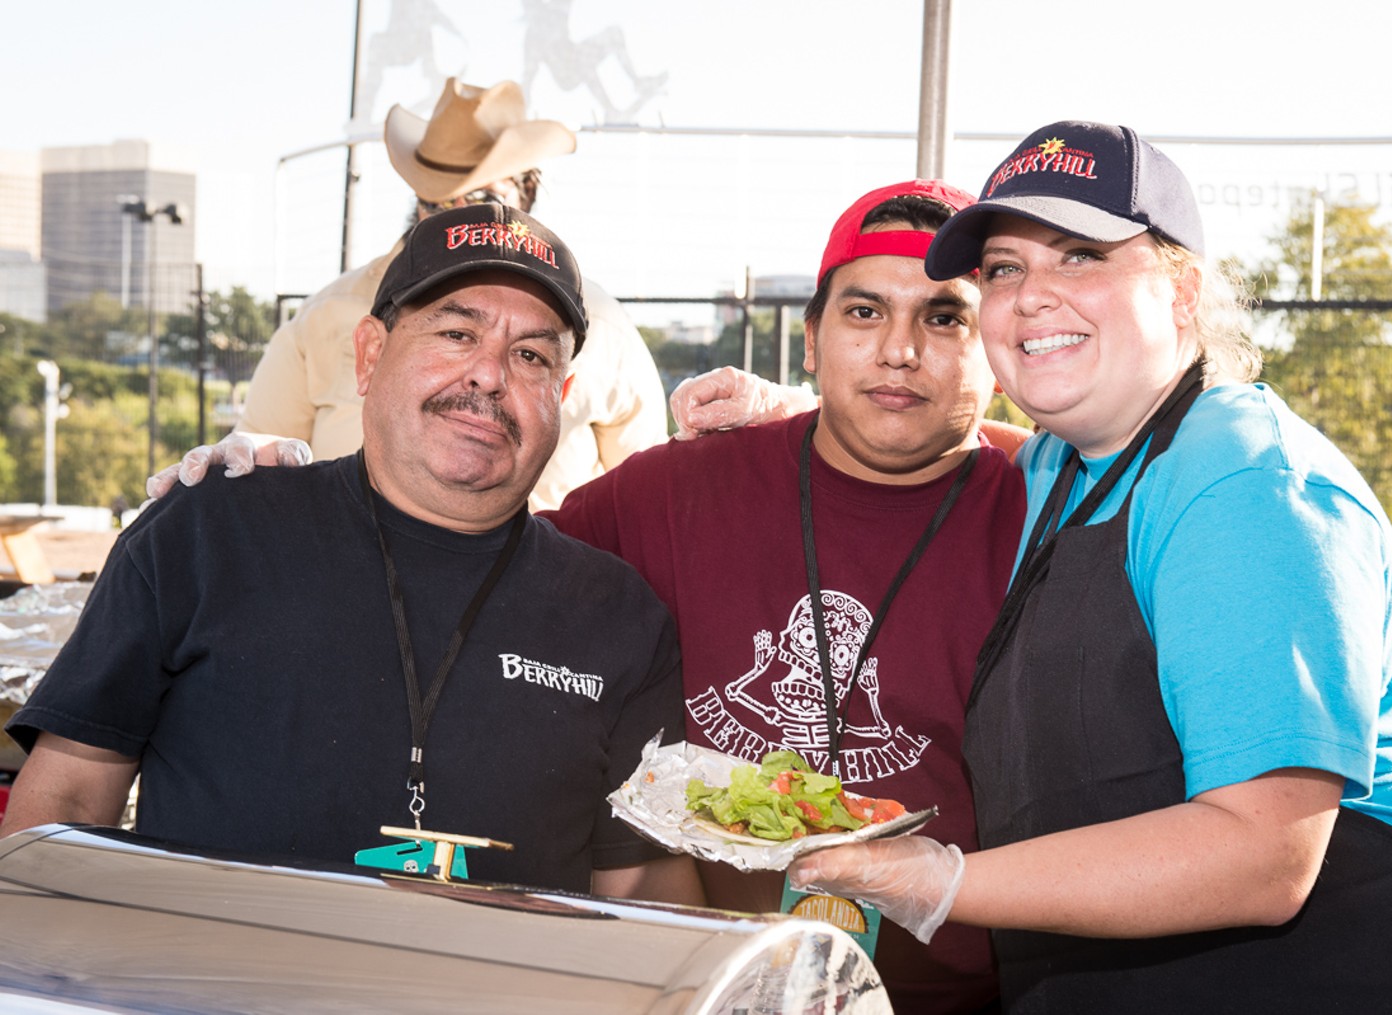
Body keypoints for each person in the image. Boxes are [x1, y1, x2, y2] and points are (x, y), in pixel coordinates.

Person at [148, 180, 1028, 1013]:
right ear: (811, 337)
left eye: (943, 315)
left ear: (989, 336)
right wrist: (304, 492)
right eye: (863, 311)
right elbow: (471, 537)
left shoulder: (1049, 512)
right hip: (709, 985)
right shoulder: (674, 493)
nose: (898, 349)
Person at [787, 121, 1392, 1012]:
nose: (1029, 298)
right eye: (1005, 269)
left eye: (1080, 257)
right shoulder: (1065, 465)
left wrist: (940, 881)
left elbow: (1264, 854)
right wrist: (790, 407)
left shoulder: (1245, 482)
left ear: (1182, 291)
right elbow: (954, 441)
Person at [2, 203, 701, 907]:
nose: (489, 375)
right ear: (370, 355)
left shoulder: (618, 617)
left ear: (563, 396)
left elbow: (644, 885)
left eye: (531, 355)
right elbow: (67, 801)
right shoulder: (209, 530)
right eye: (456, 332)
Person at [236, 76, 666, 511]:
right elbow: (257, 458)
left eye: (530, 355)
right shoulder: (327, 314)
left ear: (527, 192)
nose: (459, 217)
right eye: (438, 202)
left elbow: (644, 493)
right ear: (370, 347)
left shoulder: (603, 324)